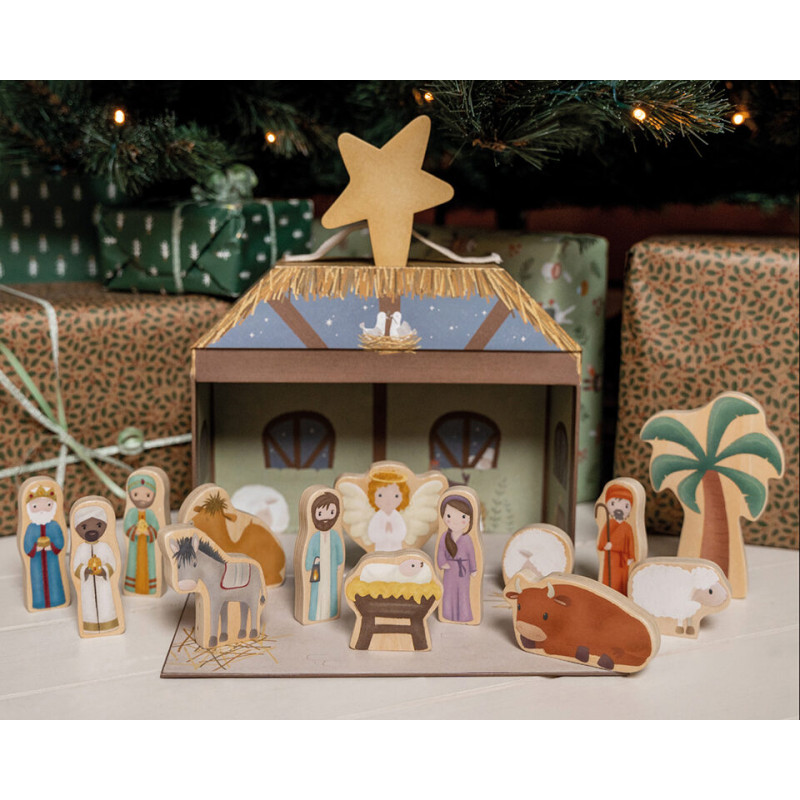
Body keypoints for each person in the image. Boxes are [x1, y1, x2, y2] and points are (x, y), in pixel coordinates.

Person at [72, 505, 121, 634]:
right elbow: (76, 567)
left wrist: (103, 570)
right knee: (88, 607)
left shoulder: (105, 546)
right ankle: (90, 627)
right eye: (84, 527)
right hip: (87, 587)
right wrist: (86, 570)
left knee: (106, 604)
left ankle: (108, 624)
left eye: (98, 525)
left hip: (104, 585)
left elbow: (112, 563)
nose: (91, 530)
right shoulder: (80, 549)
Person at [22, 483, 67, 609]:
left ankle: (57, 600)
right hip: (36, 561)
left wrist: (52, 547)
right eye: (35, 506)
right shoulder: (31, 528)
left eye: (48, 505)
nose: (42, 510)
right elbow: (26, 544)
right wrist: (35, 548)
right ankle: (39, 603)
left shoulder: (55, 526)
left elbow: (60, 540)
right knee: (37, 580)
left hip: (52, 560)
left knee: (54, 579)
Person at [437, 494, 478, 622]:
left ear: (469, 519)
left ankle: (464, 616)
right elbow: (441, 551)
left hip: (463, 570)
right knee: (448, 592)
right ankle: (448, 614)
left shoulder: (467, 539)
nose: (455, 521)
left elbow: (471, 554)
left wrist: (473, 569)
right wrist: (442, 562)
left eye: (462, 517)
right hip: (449, 570)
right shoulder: (444, 536)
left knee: (463, 593)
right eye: (449, 516)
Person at [305, 491, 345, 621]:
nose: (325, 518)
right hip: (318, 570)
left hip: (331, 570)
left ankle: (331, 613)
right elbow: (309, 553)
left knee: (331, 591)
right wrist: (310, 564)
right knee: (317, 592)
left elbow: (339, 550)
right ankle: (315, 615)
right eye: (320, 514)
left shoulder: (335, 535)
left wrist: (339, 562)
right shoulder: (314, 538)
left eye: (331, 512)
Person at [596, 483, 636, 594]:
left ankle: (621, 595)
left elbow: (631, 542)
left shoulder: (628, 527)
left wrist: (631, 556)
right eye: (613, 504)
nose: (619, 509)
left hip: (622, 559)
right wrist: (605, 545)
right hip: (611, 557)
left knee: (621, 579)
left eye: (625, 506)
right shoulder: (608, 524)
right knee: (609, 578)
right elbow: (601, 541)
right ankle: (607, 594)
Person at [123, 473, 160, 594]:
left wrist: (150, 531)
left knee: (149, 565)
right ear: (130, 494)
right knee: (133, 564)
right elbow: (127, 525)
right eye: (136, 494)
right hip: (135, 546)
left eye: (148, 495)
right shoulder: (131, 513)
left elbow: (156, 527)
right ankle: (131, 587)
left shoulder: (150, 514)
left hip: (148, 547)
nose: (142, 499)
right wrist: (135, 531)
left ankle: (150, 588)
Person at [366, 468, 410, 551]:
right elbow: (372, 535)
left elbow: (402, 533)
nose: (388, 500)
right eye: (380, 495)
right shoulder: (377, 517)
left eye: (396, 496)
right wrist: (383, 532)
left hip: (396, 549)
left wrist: (392, 533)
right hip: (380, 550)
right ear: (373, 496)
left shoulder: (397, 517)